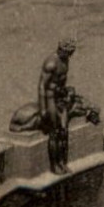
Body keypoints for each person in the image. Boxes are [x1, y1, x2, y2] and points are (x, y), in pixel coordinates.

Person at [37, 37, 77, 174]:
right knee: (54, 133)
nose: (71, 55)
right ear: (61, 50)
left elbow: (62, 80)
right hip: (50, 98)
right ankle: (54, 165)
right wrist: (43, 108)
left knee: (64, 132)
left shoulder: (66, 60)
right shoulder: (51, 63)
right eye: (69, 52)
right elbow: (42, 86)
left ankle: (62, 162)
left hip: (60, 97)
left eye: (72, 52)